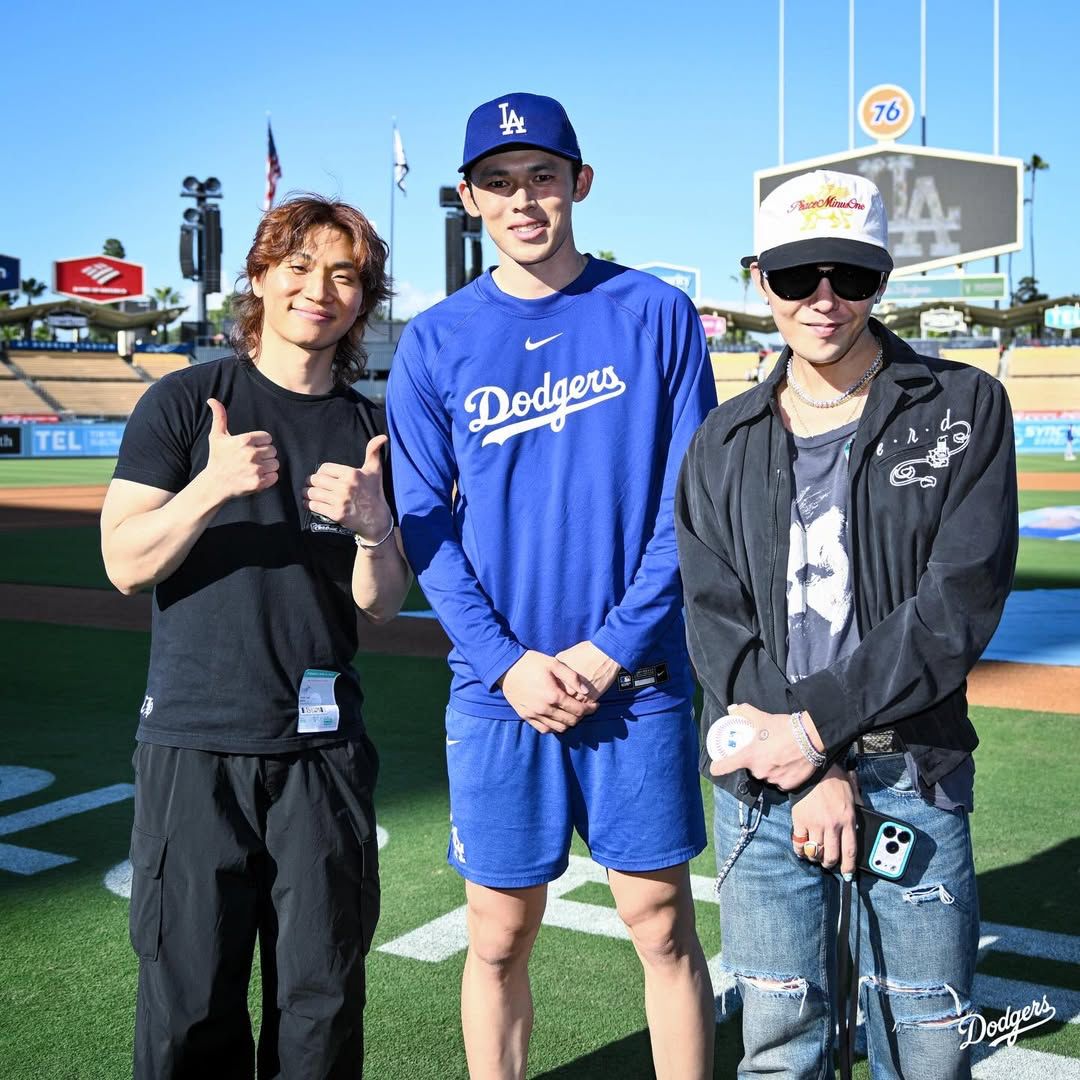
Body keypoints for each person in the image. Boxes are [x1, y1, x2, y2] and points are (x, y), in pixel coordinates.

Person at [386, 92, 717, 1080]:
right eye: (499, 182)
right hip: (501, 694)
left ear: (580, 182)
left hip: (641, 679)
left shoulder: (654, 313)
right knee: (497, 932)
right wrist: (506, 664)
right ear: (468, 197)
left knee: (659, 923)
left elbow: (687, 507)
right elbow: (423, 526)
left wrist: (610, 647)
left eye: (541, 177)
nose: (522, 200)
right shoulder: (435, 341)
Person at [675, 169, 1018, 1079]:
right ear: (760, 281)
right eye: (797, 278)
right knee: (780, 1054)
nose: (823, 301)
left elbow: (958, 603)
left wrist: (815, 732)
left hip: (913, 772)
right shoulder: (724, 439)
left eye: (850, 276)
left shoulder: (963, 406)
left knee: (928, 1051)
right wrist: (800, 762)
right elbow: (715, 623)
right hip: (763, 785)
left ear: (883, 278)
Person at [101, 194, 409, 1079]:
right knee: (189, 1004)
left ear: (362, 300)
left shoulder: (369, 431)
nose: (320, 289)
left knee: (321, 1006)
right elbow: (124, 562)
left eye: (344, 275)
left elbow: (381, 603)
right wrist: (209, 487)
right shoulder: (185, 401)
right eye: (301, 267)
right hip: (195, 744)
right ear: (263, 278)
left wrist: (372, 526)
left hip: (323, 759)